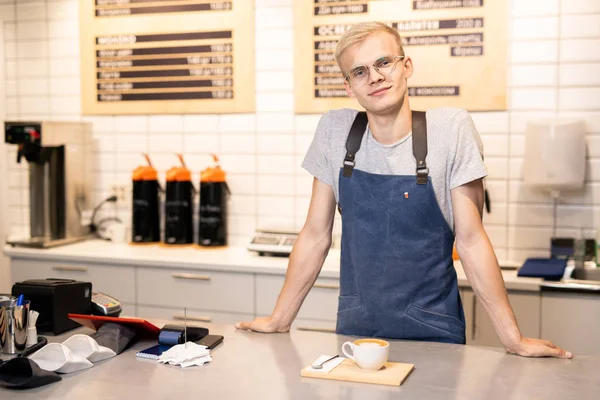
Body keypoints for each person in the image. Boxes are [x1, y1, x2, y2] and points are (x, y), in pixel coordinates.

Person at [236, 22, 572, 359]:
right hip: (357, 334)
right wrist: (279, 319)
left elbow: (471, 240)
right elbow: (314, 235)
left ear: (406, 66)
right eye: (360, 71)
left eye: (384, 63)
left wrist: (512, 339)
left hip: (434, 333)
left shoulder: (451, 130)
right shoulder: (334, 132)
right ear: (349, 85)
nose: (375, 77)